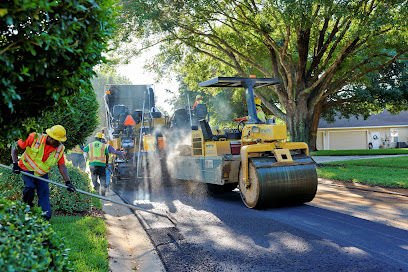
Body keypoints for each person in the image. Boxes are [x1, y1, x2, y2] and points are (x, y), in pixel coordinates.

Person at [11, 125, 76, 221]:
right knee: (29, 187)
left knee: (44, 194)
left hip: (42, 173)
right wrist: (15, 164)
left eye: (61, 141)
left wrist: (68, 182)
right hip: (27, 168)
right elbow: (15, 145)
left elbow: (61, 165)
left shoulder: (60, 148)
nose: (59, 143)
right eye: (58, 141)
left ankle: (45, 219)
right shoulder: (35, 137)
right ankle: (26, 209)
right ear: (51, 138)